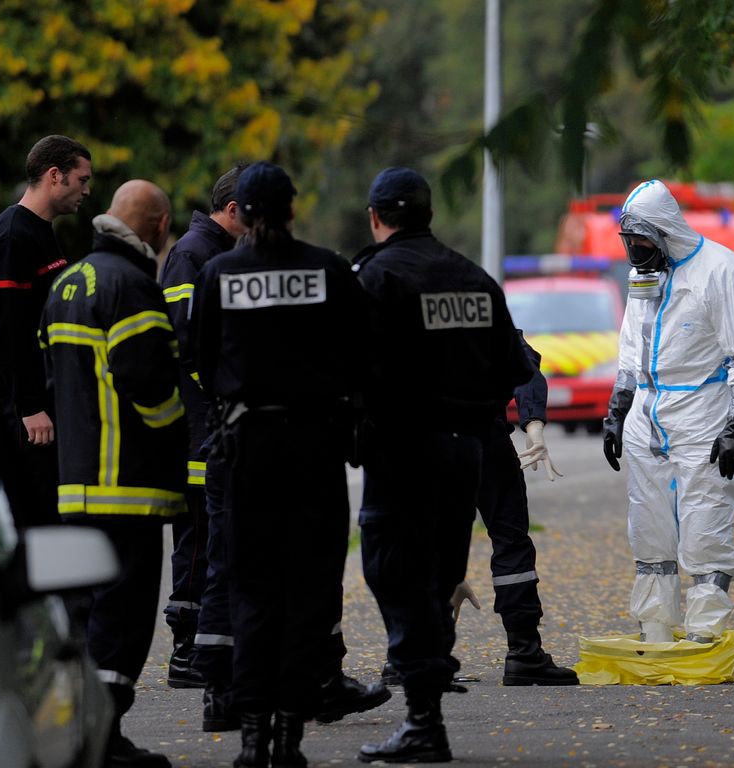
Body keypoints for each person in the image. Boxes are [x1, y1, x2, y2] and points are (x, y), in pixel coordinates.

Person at [191, 162, 374, 767]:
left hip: (247, 453)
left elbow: (200, 357)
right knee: (309, 594)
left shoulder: (218, 273)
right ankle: (290, 734)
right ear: (293, 210)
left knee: (252, 593)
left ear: (240, 212)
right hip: (316, 451)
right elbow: (362, 354)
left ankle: (252, 737)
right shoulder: (327, 270)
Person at [354, 167, 534, 763]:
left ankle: (422, 712)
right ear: (428, 215)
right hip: (466, 449)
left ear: (377, 218)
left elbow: (346, 368)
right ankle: (425, 717)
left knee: (391, 570)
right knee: (437, 579)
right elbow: (515, 364)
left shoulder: (374, 278)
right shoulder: (473, 279)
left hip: (401, 447)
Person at [39, 180, 184, 768]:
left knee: (87, 617)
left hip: (76, 483)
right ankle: (102, 738)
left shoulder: (67, 282)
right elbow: (148, 384)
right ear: (157, 227)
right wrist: (182, 430)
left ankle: (85, 734)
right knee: (122, 623)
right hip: (128, 486)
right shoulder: (134, 287)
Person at [602, 179, 734, 646]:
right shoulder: (645, 272)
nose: (635, 251)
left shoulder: (720, 270)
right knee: (649, 525)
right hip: (648, 414)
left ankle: (705, 631)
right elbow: (632, 344)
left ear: (665, 233)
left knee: (705, 520)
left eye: (642, 242)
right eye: (629, 242)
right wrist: (618, 407)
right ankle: (655, 627)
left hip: (703, 410)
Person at [382, 334, 578, 686]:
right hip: (481, 434)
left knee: (418, 539)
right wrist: (534, 425)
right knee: (509, 540)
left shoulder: (393, 285)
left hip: (417, 439)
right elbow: (522, 362)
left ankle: (409, 652)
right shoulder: (478, 294)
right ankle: (524, 652)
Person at [158, 163, 247, 700]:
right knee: (195, 542)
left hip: (213, 424)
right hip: (198, 428)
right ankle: (185, 650)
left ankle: (204, 646)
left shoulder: (216, 253)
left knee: (212, 539)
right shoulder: (194, 255)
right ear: (232, 211)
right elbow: (184, 342)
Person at [0, 134, 91, 526]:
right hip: (22, 415)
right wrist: (28, 407)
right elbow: (4, 331)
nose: (86, 191)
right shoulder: (12, 236)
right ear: (55, 176)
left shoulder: (40, 229)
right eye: (82, 180)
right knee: (36, 517)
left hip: (39, 406)